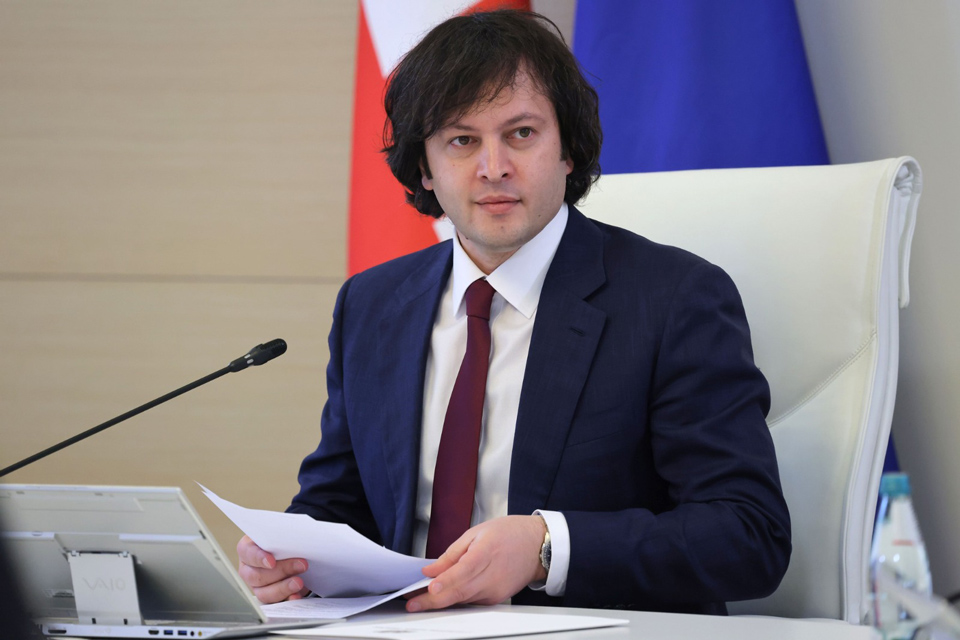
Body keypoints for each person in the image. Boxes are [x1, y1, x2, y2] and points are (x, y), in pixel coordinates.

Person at [238, 9, 790, 615]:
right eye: (462, 140)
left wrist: (547, 548)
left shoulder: (674, 299)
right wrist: (288, 558)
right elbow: (339, 503)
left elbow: (748, 535)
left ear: (568, 149)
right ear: (425, 167)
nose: (493, 167)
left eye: (521, 134)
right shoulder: (371, 305)